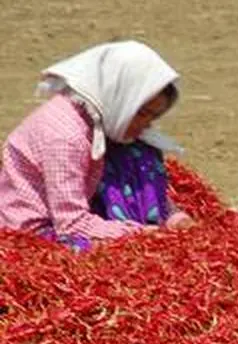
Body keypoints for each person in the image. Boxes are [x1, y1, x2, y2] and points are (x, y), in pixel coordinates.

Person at [0, 41, 193, 252]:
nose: (146, 125)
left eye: (153, 116)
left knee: (137, 152)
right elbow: (71, 225)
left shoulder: (98, 119)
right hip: (33, 234)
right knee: (109, 257)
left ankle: (156, 219)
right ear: (119, 96)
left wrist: (173, 215)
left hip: (69, 213)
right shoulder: (66, 139)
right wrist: (142, 234)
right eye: (142, 113)